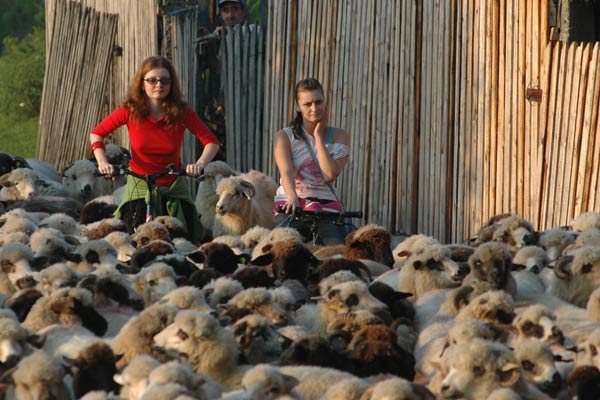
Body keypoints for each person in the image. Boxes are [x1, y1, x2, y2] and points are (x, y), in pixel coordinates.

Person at [90, 55, 220, 243]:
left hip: (172, 185)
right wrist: (103, 162)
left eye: (164, 80)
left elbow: (211, 142)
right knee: (128, 236)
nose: (158, 84)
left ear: (171, 84)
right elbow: (97, 134)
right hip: (139, 183)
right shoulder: (129, 110)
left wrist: (200, 164)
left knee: (186, 238)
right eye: (152, 80)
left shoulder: (182, 112)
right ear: (142, 83)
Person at [273, 78, 351, 245]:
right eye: (307, 104)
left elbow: (330, 174)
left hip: (326, 206)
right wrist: (292, 196)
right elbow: (285, 171)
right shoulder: (284, 137)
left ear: (325, 103)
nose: (314, 108)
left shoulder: (339, 135)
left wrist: (318, 136)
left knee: (336, 253)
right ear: (297, 107)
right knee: (282, 249)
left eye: (318, 102)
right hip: (292, 204)